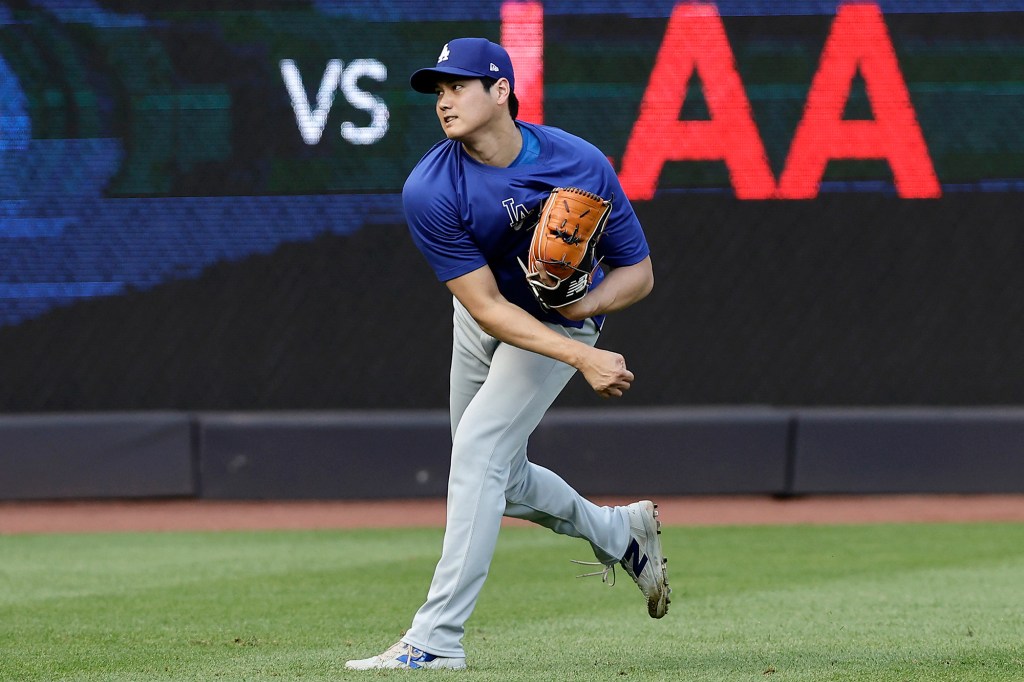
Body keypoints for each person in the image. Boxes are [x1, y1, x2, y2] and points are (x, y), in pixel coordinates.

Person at [345, 37, 668, 672]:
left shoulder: (579, 163)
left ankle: (435, 641)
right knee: (500, 479)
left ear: (500, 91)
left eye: (457, 86)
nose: (444, 101)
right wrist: (582, 361)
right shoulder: (430, 188)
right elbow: (488, 307)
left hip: (557, 321)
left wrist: (582, 314)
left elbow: (640, 272)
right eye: (437, 91)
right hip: (485, 317)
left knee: (476, 455)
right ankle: (618, 534)